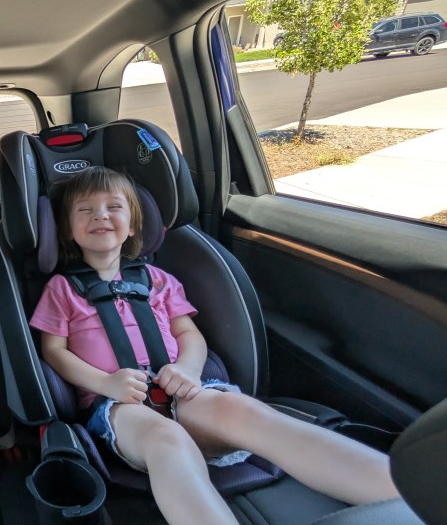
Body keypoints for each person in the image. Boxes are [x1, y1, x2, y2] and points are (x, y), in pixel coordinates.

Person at [30, 166, 398, 525]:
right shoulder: (62, 289)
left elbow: (188, 334)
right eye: (86, 210)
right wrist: (105, 383)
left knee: (243, 410)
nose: (101, 216)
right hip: (115, 407)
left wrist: (188, 369)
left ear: (133, 224)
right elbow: (54, 352)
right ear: (67, 229)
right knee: (165, 438)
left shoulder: (158, 281)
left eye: (114, 207)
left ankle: (406, 495)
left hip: (179, 389)